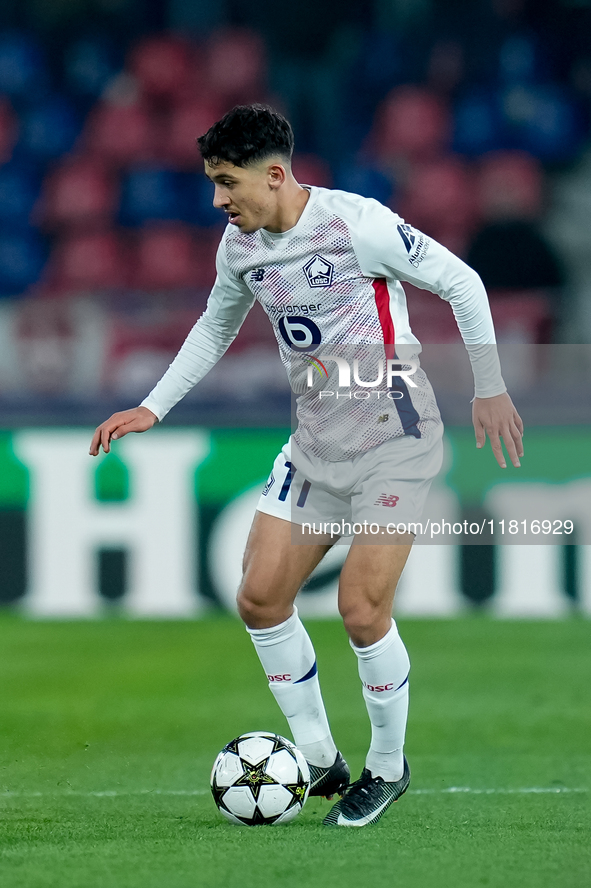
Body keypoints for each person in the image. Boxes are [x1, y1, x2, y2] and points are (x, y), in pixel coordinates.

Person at [89, 104, 524, 827]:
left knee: (360, 609)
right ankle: (320, 757)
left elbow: (464, 285)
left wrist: (490, 388)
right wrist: (152, 407)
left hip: (395, 438)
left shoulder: (359, 225)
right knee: (259, 597)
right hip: (316, 447)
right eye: (212, 183)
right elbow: (213, 327)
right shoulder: (240, 248)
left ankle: (386, 769)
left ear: (275, 175)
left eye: (227, 183)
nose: (218, 200)